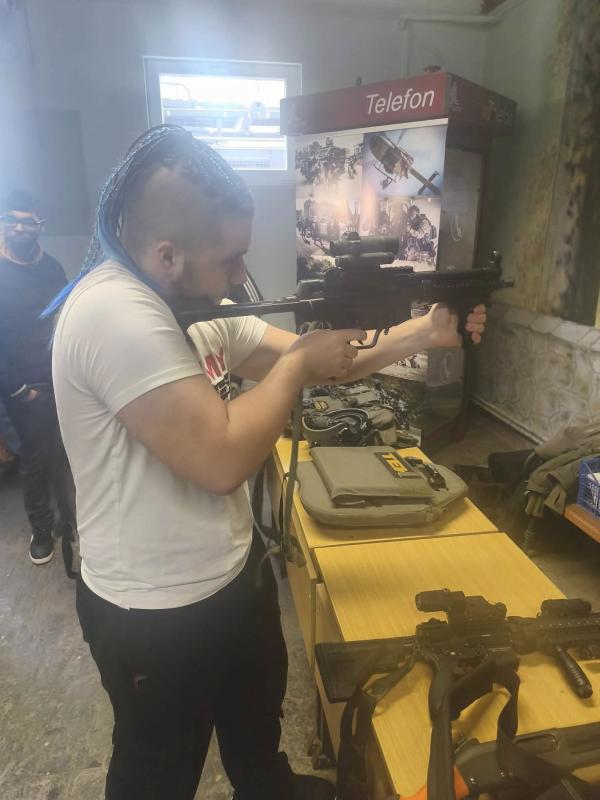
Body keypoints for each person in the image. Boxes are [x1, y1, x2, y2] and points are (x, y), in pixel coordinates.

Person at [47, 125, 486, 800]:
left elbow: (331, 362)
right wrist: (298, 366)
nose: (238, 277)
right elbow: (221, 456)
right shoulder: (115, 314)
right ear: (166, 255)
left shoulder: (195, 304)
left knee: (257, 740)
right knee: (155, 772)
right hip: (153, 614)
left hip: (232, 574)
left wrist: (427, 331)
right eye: (230, 259)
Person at [0, 189, 72, 563]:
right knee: (35, 461)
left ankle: (70, 522)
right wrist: (18, 389)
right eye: (12, 221)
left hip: (59, 378)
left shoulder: (53, 268)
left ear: (40, 226)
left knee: (67, 453)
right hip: (22, 386)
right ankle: (42, 530)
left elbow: (65, 317)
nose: (20, 228)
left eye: (28, 222)